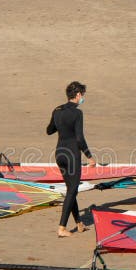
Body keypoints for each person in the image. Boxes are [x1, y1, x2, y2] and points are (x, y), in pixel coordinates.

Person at [46, 81, 96, 238]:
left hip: (59, 154)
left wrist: (59, 122)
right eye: (83, 95)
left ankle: (79, 224)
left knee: (71, 190)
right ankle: (62, 227)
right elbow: (80, 139)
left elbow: (49, 130)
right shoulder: (77, 113)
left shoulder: (57, 110)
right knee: (72, 190)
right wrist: (89, 156)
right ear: (78, 95)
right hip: (72, 154)